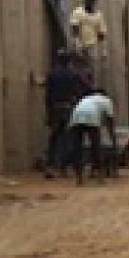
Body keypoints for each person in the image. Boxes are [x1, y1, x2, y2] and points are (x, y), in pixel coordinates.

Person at [42, 49, 88, 177]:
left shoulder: (52, 74)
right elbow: (86, 86)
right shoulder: (73, 74)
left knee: (54, 138)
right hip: (69, 108)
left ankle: (51, 166)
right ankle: (64, 167)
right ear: (68, 61)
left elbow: (48, 96)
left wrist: (48, 113)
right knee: (69, 138)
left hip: (56, 109)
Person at [67, 87, 118, 185]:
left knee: (77, 148)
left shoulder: (86, 99)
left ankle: (79, 178)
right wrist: (113, 138)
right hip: (91, 117)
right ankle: (100, 177)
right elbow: (110, 120)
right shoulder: (107, 100)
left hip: (75, 117)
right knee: (95, 147)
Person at [68, 0, 107, 82]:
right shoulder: (78, 12)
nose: (90, 4)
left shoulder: (98, 15)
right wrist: (76, 42)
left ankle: (90, 85)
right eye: (88, 2)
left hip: (92, 46)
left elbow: (101, 33)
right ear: (85, 2)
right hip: (79, 45)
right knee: (78, 68)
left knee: (91, 69)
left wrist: (103, 49)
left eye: (92, 3)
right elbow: (75, 28)